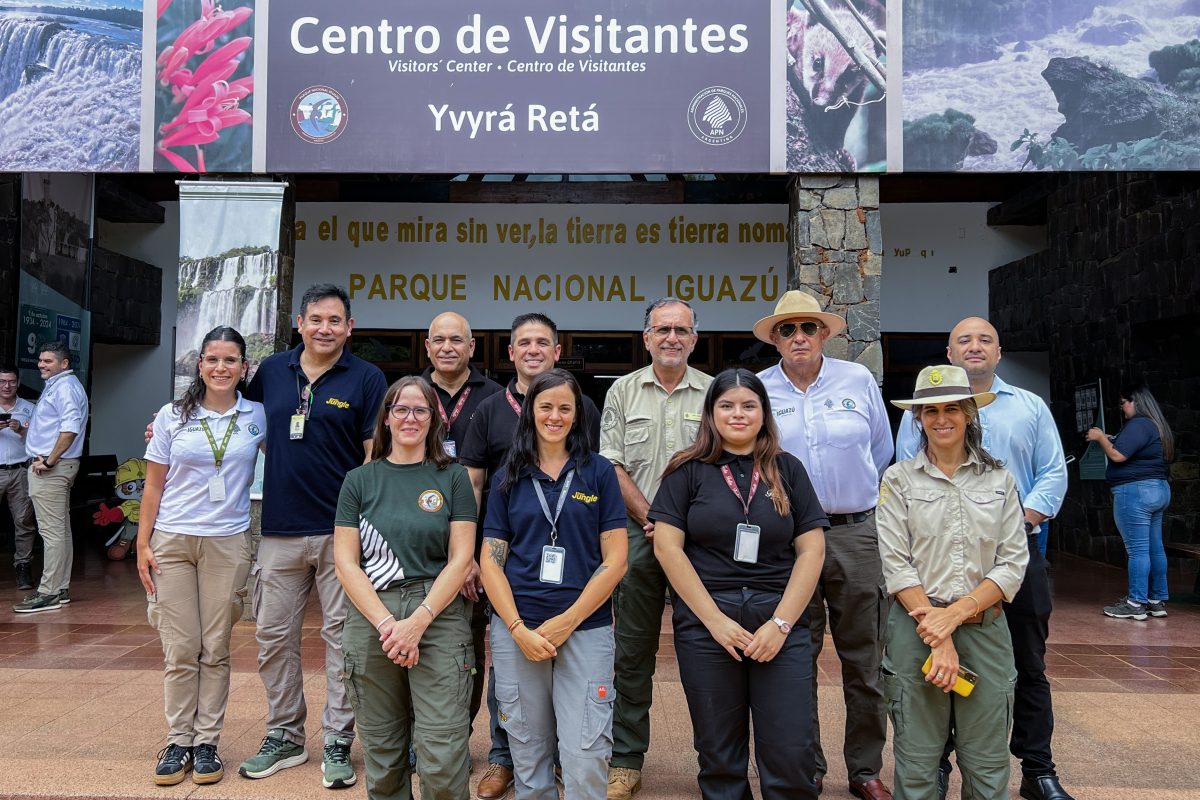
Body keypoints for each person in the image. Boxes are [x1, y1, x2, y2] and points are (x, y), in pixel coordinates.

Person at [895, 316, 1069, 800]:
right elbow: (905, 478)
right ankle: (938, 766)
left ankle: (1038, 768)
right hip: (936, 564)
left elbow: (1052, 474)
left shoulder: (1030, 407)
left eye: (985, 339)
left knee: (1027, 663)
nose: (975, 346)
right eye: (964, 340)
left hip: (1014, 555)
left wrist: (1011, 524)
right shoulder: (918, 426)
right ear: (949, 353)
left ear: (999, 351)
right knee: (934, 666)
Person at [650, 368, 827, 800]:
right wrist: (715, 622)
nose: (738, 414)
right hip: (709, 623)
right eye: (726, 405)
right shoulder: (686, 471)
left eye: (749, 405)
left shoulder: (788, 469)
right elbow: (667, 549)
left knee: (791, 749)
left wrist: (782, 624)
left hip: (778, 620)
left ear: (764, 412)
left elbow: (812, 551)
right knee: (718, 753)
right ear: (710, 413)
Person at [238, 284, 388, 788]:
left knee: (344, 641)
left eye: (335, 320)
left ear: (350, 327)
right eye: (316, 319)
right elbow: (239, 425)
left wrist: (361, 520)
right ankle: (285, 735)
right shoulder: (271, 373)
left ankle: (339, 740)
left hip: (340, 533)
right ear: (299, 323)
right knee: (272, 636)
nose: (325, 328)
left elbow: (374, 455)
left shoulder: (367, 377)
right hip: (279, 528)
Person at [755, 290, 893, 800]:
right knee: (795, 657)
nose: (798, 338)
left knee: (865, 660)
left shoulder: (857, 381)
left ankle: (865, 770)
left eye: (808, 328)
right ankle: (807, 766)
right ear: (774, 339)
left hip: (856, 532)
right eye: (787, 330)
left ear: (825, 334)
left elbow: (881, 451)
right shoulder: (761, 391)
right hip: (788, 539)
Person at [460, 312, 601, 800]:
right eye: (525, 342)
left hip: (580, 606)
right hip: (511, 579)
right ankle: (504, 760)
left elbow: (608, 545)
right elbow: (474, 483)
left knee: (580, 730)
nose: (555, 416)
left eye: (544, 341)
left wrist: (567, 620)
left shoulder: (592, 452)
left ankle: (566, 765)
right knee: (519, 710)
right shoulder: (491, 421)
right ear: (511, 351)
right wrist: (473, 557)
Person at [879, 365, 1029, 800]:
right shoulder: (897, 480)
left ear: (969, 414)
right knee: (918, 759)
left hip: (984, 629)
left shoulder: (999, 480)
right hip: (915, 628)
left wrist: (955, 617)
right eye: (930, 411)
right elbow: (896, 563)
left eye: (951, 409)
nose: (940, 418)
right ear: (919, 419)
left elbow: (1011, 563)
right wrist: (938, 633)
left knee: (986, 762)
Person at [480, 369, 627, 800]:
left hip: (586, 628)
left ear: (578, 414)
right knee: (528, 752)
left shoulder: (599, 472)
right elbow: (491, 560)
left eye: (565, 407)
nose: (555, 416)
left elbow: (616, 560)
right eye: (545, 406)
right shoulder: (510, 473)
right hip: (518, 630)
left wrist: (568, 621)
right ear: (530, 412)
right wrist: (516, 628)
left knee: (585, 754)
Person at [333, 376, 477, 800]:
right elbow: (346, 561)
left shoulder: (453, 478)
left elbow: (461, 558)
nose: (410, 417)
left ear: (433, 420)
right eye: (401, 409)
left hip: (437, 611)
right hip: (371, 614)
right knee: (381, 747)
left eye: (420, 410)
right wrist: (387, 624)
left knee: (441, 749)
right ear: (387, 418)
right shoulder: (358, 481)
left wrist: (416, 623)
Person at [137, 327, 267, 786]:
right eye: (212, 359)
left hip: (227, 543)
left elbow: (293, 457)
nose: (220, 368)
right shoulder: (172, 416)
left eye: (230, 360)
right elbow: (153, 483)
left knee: (215, 648)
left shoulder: (258, 416)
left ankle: (207, 741)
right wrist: (142, 542)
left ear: (244, 367)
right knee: (179, 647)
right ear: (200, 365)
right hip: (172, 542)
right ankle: (178, 741)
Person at [600, 298, 712, 800]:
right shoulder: (622, 392)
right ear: (646, 337)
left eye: (681, 329)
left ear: (694, 338)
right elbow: (613, 467)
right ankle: (625, 758)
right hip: (638, 539)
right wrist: (655, 520)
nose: (671, 337)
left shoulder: (715, 392)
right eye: (662, 329)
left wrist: (680, 527)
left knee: (708, 652)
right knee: (632, 652)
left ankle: (718, 761)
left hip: (702, 546)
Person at [419, 311, 502, 732]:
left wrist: (472, 555)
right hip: (419, 540)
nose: (448, 347)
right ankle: (422, 733)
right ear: (427, 347)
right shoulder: (410, 396)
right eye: (439, 340)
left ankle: (459, 733)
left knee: (470, 642)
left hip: (476, 543)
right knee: (421, 634)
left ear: (472, 347)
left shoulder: (495, 398)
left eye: (457, 340)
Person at [1086, 384, 1174, 621]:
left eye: (1124, 402)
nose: (1122, 407)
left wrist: (1099, 437)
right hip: (1158, 490)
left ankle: (1135, 603)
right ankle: (1156, 601)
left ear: (1136, 402)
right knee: (1155, 548)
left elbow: (1118, 455)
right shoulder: (1156, 424)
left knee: (1137, 551)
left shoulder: (1138, 424)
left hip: (1135, 492)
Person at [14, 341, 89, 614]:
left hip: (53, 469)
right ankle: (61, 588)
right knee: (61, 531)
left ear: (64, 364)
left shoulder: (66, 388)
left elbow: (69, 429)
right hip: (57, 467)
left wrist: (49, 460)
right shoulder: (59, 386)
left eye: (48, 361)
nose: (41, 364)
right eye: (41, 360)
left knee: (52, 533)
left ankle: (48, 592)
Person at [0, 364, 36, 591]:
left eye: (11, 381)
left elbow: (40, 440)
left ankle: (23, 566)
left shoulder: (29, 408)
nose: (6, 386)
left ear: (18, 382)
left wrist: (21, 430)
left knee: (24, 521)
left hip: (20, 470)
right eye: (2, 381)